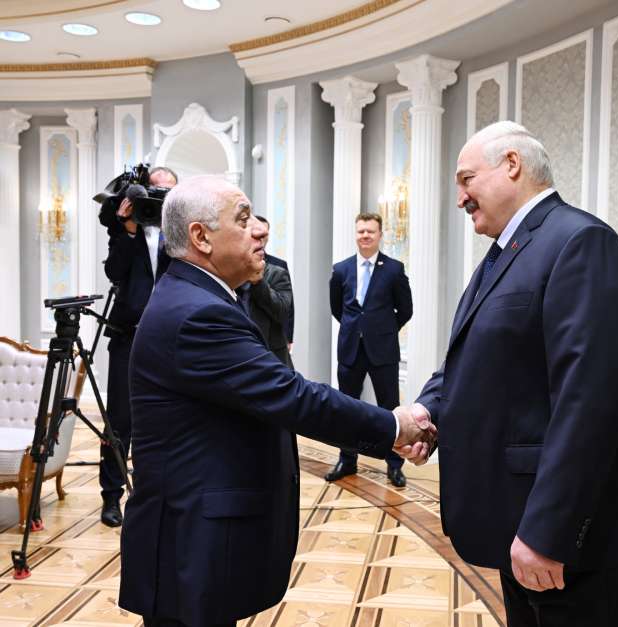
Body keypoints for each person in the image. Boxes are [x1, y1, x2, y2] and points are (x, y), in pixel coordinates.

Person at [118, 176, 434, 627]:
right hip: (189, 544)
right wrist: (394, 426)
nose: (259, 231)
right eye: (243, 219)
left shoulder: (198, 297)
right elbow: (293, 396)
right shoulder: (197, 313)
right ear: (201, 237)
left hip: (194, 539)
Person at [408, 121, 618, 626]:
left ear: (512, 165)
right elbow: (476, 357)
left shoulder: (582, 243)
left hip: (575, 535)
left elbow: (590, 403)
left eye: (467, 179)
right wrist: (429, 410)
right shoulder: (510, 251)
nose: (461, 197)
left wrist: (547, 532)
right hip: (520, 518)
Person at [101, 166, 177, 527]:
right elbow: (114, 273)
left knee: (168, 418)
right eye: (155, 189)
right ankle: (111, 496)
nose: (160, 196)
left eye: (168, 191)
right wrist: (128, 228)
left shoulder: (180, 232)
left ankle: (160, 493)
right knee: (119, 420)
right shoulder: (125, 230)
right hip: (127, 334)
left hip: (169, 337)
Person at [325, 212, 413, 487]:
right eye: (361, 231)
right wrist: (357, 328)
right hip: (350, 349)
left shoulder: (394, 269)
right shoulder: (341, 269)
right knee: (346, 407)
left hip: (383, 350)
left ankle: (394, 465)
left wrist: (382, 329)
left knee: (390, 407)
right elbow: (337, 308)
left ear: (379, 235)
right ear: (356, 234)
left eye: (370, 231)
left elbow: (406, 310)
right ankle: (347, 460)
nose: (365, 236)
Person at [240, 222, 294, 368]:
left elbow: (283, 311)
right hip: (239, 353)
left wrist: (258, 283)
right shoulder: (231, 273)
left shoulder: (277, 272)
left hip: (271, 354)